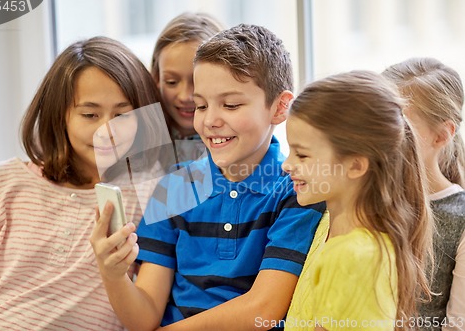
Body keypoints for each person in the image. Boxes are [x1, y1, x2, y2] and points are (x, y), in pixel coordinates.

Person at [90, 24, 326, 330]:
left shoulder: (297, 191)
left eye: (230, 105)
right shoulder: (174, 187)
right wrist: (113, 275)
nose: (211, 120)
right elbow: (143, 316)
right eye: (201, 106)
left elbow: (264, 309)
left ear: (280, 107)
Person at [0, 36, 166, 330]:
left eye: (122, 115)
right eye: (90, 114)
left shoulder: (154, 193)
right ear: (60, 116)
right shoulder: (2, 183)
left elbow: (146, 318)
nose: (106, 131)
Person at [282, 70, 434, 330]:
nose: (287, 165)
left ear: (355, 165)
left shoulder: (352, 257)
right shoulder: (329, 229)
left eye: (302, 155)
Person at [383, 57, 465, 331]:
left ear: (442, 135)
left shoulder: (460, 218)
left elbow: (457, 325)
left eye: (397, 123)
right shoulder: (362, 198)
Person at [151, 12, 224, 162]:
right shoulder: (140, 139)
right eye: (171, 82)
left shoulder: (238, 144)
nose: (185, 96)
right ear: (156, 78)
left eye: (197, 81)